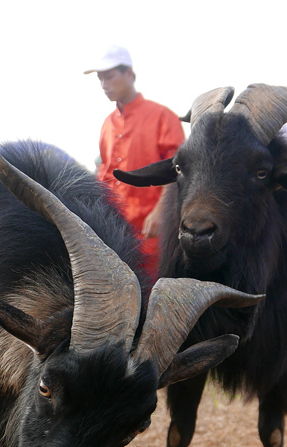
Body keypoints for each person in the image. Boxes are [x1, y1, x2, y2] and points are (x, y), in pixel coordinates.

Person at [84, 45, 184, 276]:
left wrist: (161, 212)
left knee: (153, 294)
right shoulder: (108, 124)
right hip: (116, 233)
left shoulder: (162, 117)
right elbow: (105, 174)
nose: (103, 85)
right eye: (100, 79)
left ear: (128, 74)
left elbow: (180, 170)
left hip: (154, 233)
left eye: (109, 77)